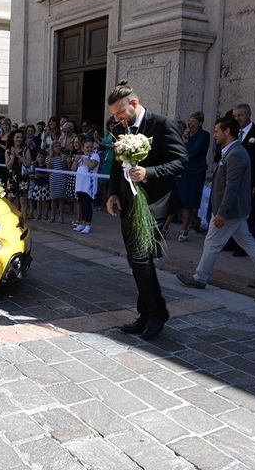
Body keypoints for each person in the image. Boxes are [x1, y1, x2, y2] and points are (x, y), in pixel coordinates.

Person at [106, 80, 188, 340]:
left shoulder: (162, 124)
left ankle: (157, 313)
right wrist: (112, 193)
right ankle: (145, 313)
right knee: (136, 260)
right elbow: (116, 165)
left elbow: (181, 161)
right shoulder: (123, 129)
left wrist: (148, 173)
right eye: (114, 116)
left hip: (155, 203)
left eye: (120, 113)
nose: (118, 119)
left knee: (140, 258)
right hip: (128, 203)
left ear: (134, 103)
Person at [176, 116, 255, 289]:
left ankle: (200, 278)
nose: (214, 135)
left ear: (227, 132)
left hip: (229, 210)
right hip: (234, 210)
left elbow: (232, 187)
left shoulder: (236, 153)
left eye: (217, 131)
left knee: (212, 243)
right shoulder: (231, 151)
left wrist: (222, 212)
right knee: (246, 240)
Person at [227, 103, 255, 256]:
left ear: (248, 115)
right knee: (233, 211)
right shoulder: (232, 133)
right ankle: (231, 241)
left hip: (250, 181)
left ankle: (244, 247)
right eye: (235, 116)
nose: (237, 118)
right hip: (234, 180)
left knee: (248, 213)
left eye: (240, 115)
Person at [162, 111, 210, 241]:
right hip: (182, 171)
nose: (190, 123)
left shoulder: (204, 135)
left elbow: (194, 152)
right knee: (175, 199)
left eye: (193, 120)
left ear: (200, 122)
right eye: (189, 120)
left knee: (187, 202)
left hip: (194, 173)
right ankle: (165, 228)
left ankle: (184, 230)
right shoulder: (186, 135)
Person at [72, 139, 100, 234]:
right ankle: (82, 223)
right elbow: (73, 169)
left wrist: (83, 158)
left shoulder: (95, 156)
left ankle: (88, 224)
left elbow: (91, 166)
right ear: (82, 148)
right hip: (80, 185)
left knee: (87, 205)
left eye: (91, 147)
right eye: (87, 147)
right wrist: (76, 160)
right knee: (81, 204)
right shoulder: (81, 157)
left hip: (89, 186)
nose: (89, 149)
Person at [47, 140, 65, 223]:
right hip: (53, 179)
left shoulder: (62, 156)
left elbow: (65, 168)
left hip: (61, 179)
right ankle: (52, 216)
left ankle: (61, 217)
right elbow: (49, 170)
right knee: (53, 199)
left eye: (59, 146)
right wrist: (50, 162)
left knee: (61, 199)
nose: (58, 148)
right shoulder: (49, 157)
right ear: (52, 148)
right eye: (56, 146)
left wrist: (63, 161)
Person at [32, 150, 50, 220]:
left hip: (45, 185)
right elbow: (34, 174)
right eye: (39, 157)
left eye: (42, 157)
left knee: (45, 201)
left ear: (45, 158)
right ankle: (39, 214)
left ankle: (45, 214)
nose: (40, 158)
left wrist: (40, 175)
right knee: (38, 200)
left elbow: (48, 175)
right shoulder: (35, 165)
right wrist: (34, 176)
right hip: (38, 185)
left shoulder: (46, 166)